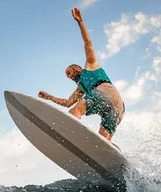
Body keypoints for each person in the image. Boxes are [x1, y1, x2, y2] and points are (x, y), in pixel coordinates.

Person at [38, 8, 125, 148]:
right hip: (119, 107)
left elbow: (88, 43)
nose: (69, 76)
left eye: (69, 72)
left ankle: (69, 133)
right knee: (103, 143)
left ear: (77, 68)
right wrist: (48, 97)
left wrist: (80, 22)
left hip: (105, 93)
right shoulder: (81, 88)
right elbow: (67, 102)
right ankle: (118, 158)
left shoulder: (90, 66)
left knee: (77, 109)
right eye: (68, 75)